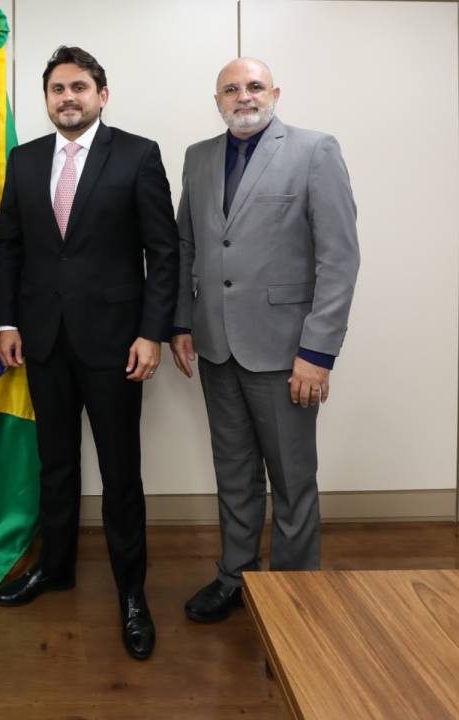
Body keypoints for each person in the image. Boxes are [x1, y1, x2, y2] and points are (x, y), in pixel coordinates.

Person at [0, 47, 180, 661]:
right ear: (46, 98)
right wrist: (8, 321)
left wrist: (152, 332)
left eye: (79, 87)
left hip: (117, 343)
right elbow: (11, 248)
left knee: (122, 474)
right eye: (56, 88)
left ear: (102, 93)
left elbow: (163, 250)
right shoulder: (23, 160)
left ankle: (131, 593)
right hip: (42, 340)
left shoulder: (137, 153)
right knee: (55, 465)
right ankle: (57, 568)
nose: (67, 97)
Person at [170, 58, 359, 623]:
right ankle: (236, 577)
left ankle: (296, 597)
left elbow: (339, 259)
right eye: (231, 89)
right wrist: (182, 323)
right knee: (233, 471)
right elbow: (187, 248)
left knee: (292, 478)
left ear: (274, 92)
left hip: (286, 352)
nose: (243, 96)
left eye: (254, 86)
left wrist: (317, 353)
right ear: (217, 100)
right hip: (215, 346)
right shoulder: (198, 158)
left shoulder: (314, 150)